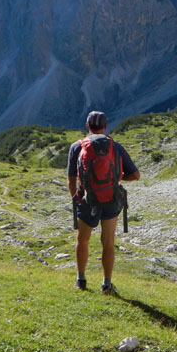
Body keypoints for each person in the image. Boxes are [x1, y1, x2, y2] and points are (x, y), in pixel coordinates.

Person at [67, 111, 140, 295]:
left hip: (87, 199)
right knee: (107, 241)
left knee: (82, 240)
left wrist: (77, 198)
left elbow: (71, 180)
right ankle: (106, 284)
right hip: (111, 200)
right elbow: (135, 175)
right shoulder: (115, 147)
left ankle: (80, 280)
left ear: (87, 126)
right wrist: (115, 180)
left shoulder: (77, 147)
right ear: (106, 127)